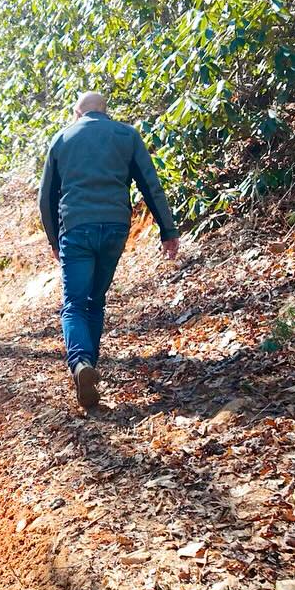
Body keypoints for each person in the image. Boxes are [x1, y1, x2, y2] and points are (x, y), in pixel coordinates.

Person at [39, 91, 180, 410]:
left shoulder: (62, 138)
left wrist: (53, 240)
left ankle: (81, 363)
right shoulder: (127, 135)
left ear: (77, 113)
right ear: (105, 111)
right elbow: (150, 185)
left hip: (76, 228)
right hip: (115, 227)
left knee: (74, 304)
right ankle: (88, 368)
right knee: (95, 300)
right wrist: (167, 230)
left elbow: (46, 197)